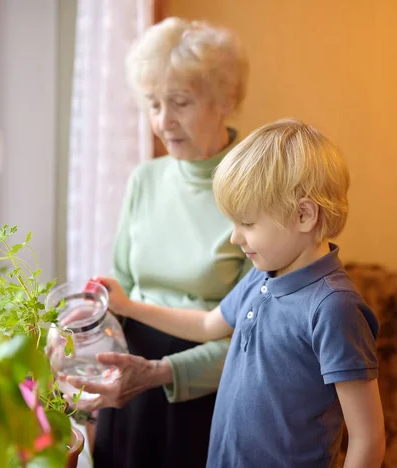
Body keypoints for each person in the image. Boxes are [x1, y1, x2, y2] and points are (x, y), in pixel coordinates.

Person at [77, 119, 386, 467]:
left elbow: (367, 437)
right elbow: (208, 325)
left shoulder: (333, 308)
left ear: (304, 215)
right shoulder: (263, 275)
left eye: (247, 224)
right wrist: (128, 306)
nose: (235, 238)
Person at [70, 17, 251, 468]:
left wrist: (161, 374)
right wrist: (84, 330)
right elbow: (118, 293)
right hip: (129, 384)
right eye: (153, 104)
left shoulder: (257, 189)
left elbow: (254, 338)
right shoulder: (144, 180)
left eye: (180, 103)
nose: (162, 121)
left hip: (205, 390)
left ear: (225, 100)